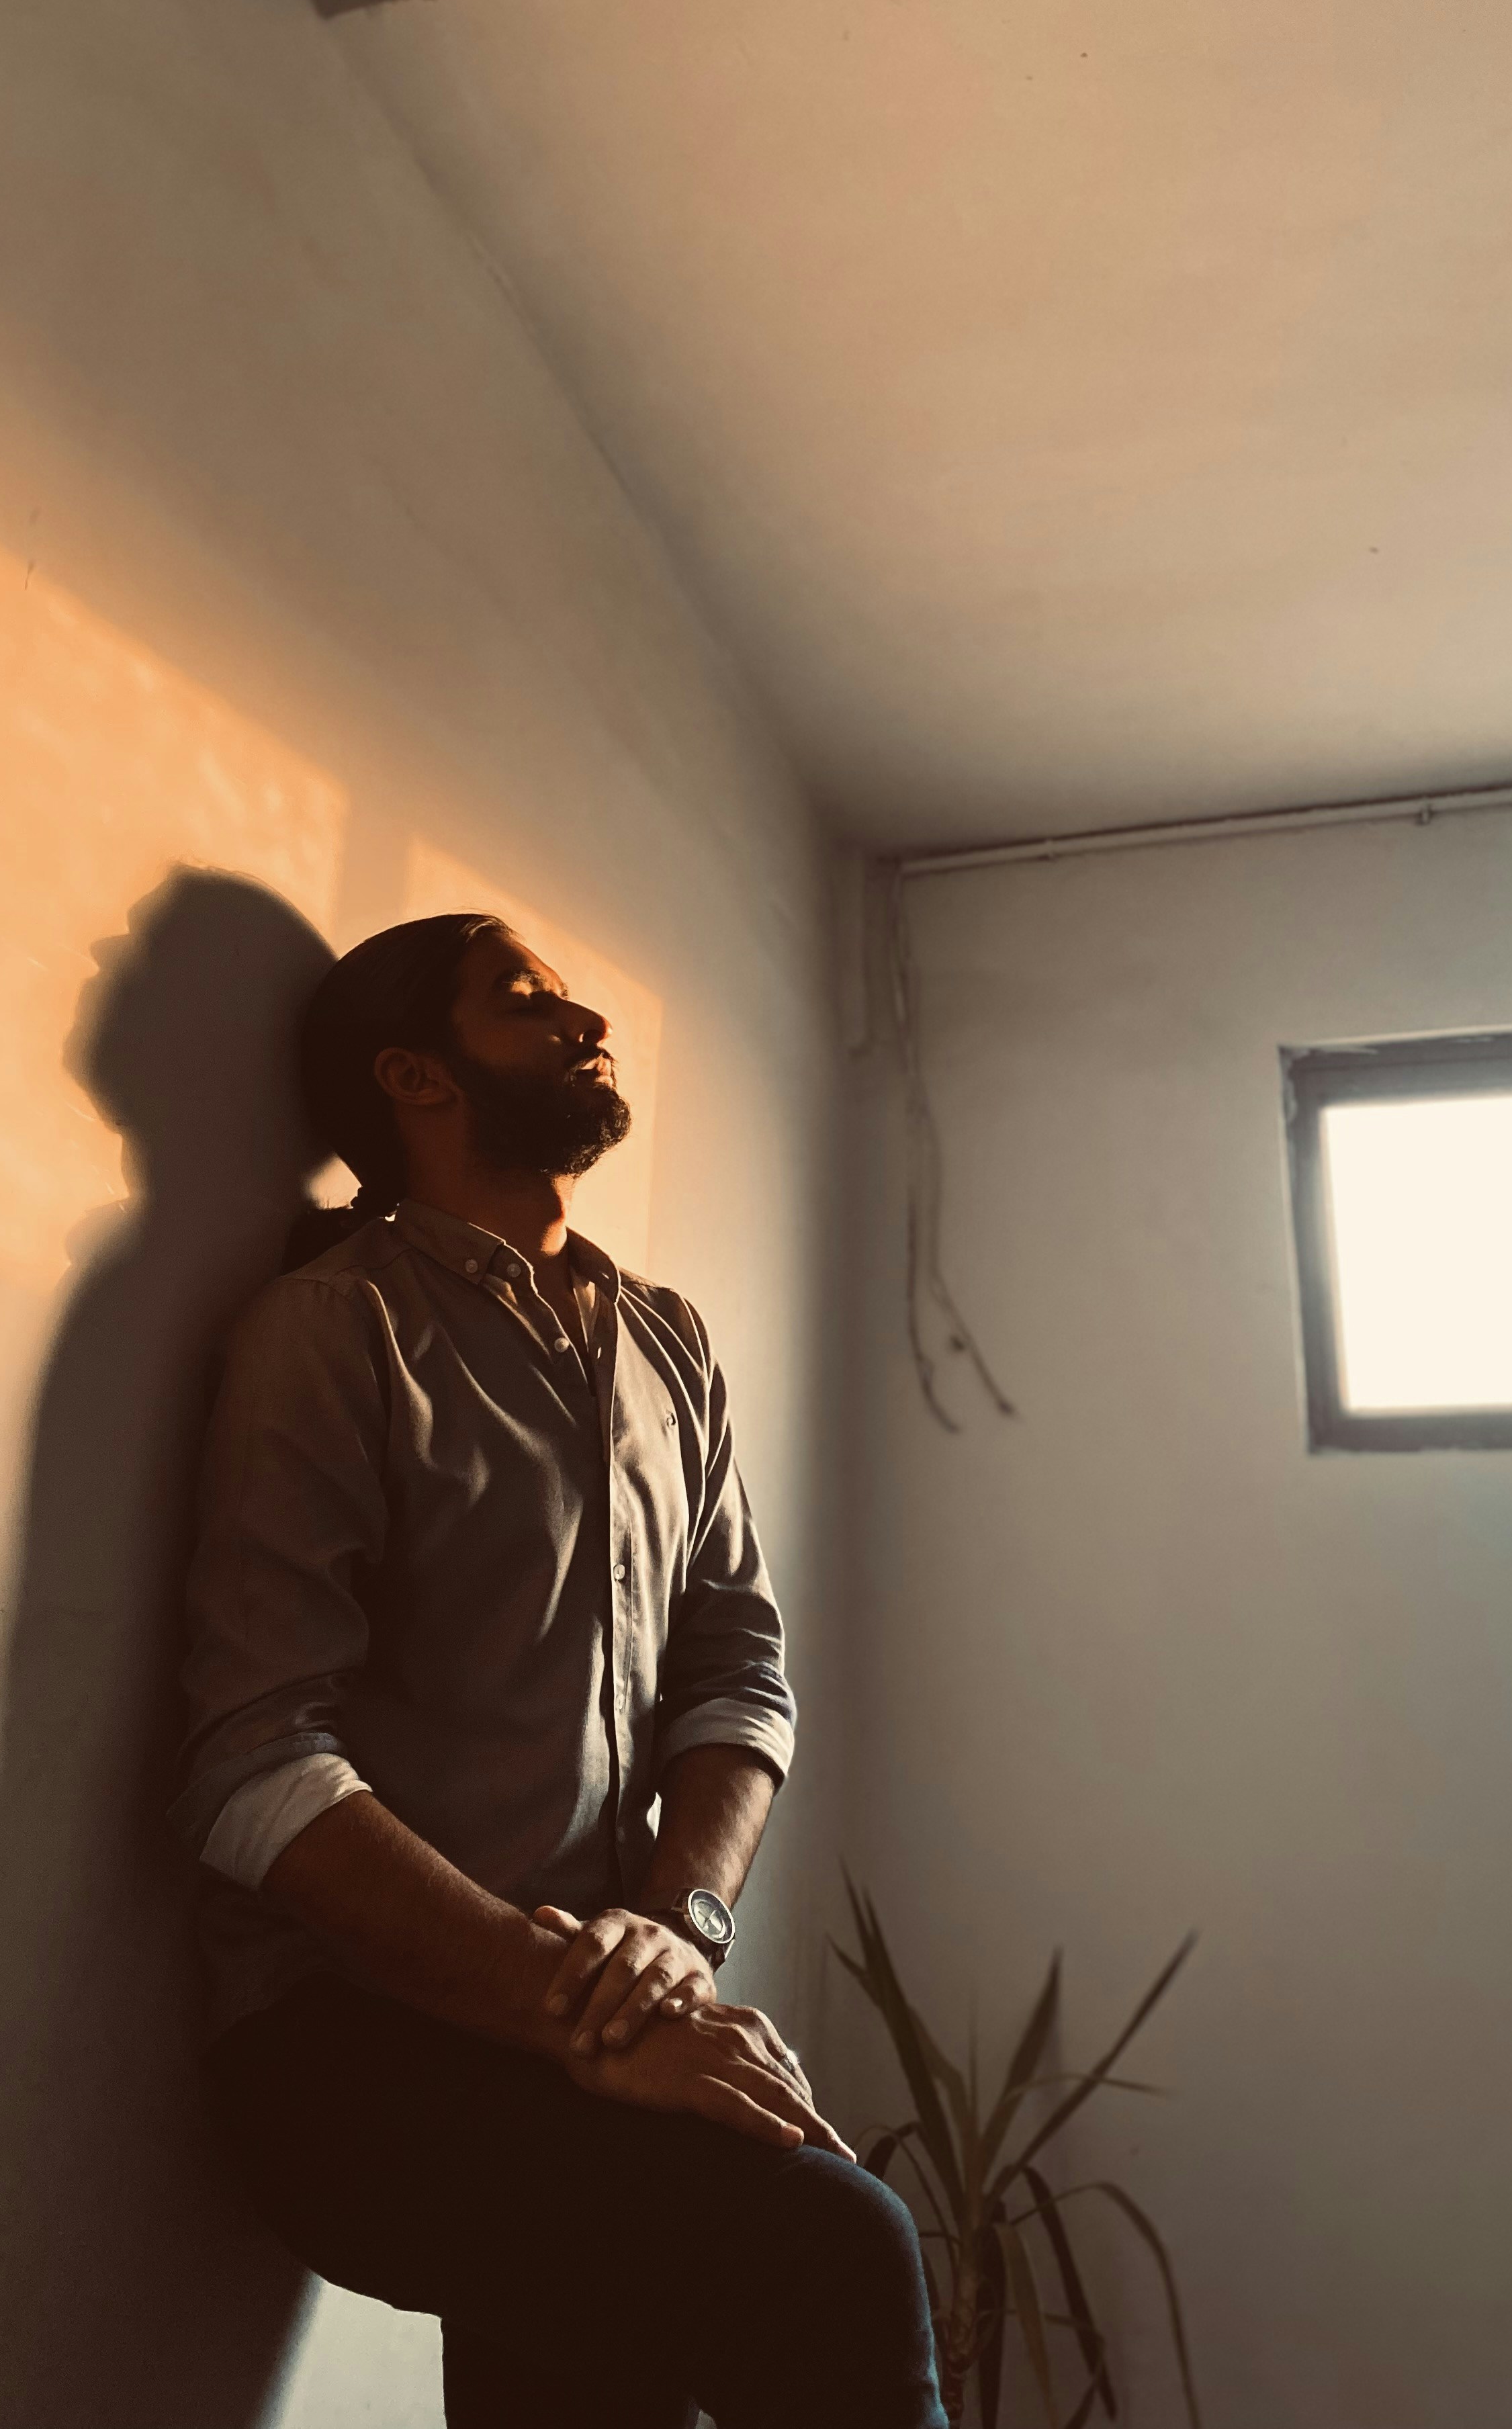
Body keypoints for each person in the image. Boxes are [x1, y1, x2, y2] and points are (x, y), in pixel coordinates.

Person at [173, 912, 945, 2429]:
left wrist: (681, 1928)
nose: (585, 1015)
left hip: (587, 2011)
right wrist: (582, 2014)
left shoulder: (670, 1343)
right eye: (525, 1002)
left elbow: (741, 1674)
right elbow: (254, 1766)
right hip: (349, 2042)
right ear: (416, 1077)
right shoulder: (333, 1332)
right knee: (846, 2238)